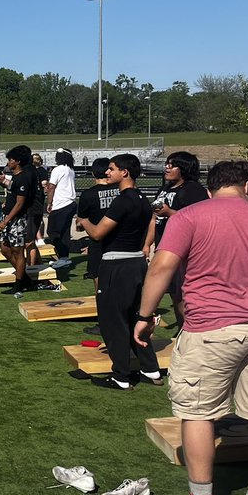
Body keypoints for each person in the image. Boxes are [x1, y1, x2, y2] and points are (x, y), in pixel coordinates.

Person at [133, 160, 248, 495]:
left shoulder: (191, 216)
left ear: (210, 185)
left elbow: (162, 266)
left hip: (211, 329)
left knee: (198, 412)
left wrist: (144, 315)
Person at [77, 154, 160, 390]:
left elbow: (97, 234)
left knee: (113, 322)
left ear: (125, 172)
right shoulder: (143, 199)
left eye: (112, 169)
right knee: (136, 318)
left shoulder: (123, 200)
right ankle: (150, 369)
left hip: (117, 264)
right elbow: (149, 226)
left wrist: (83, 220)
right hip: (136, 262)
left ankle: (121, 377)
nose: (107, 173)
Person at [143, 151, 209, 326]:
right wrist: (147, 244)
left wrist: (170, 212)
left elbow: (200, 220)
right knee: (174, 294)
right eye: (167, 163)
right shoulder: (165, 188)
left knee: (184, 294)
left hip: (185, 250)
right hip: (165, 246)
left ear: (184, 168)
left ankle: (190, 330)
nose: (167, 167)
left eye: (172, 165)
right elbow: (153, 219)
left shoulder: (193, 189)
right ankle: (183, 330)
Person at [0, 145, 37, 295]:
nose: (8, 162)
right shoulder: (16, 177)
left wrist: (6, 221)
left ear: (17, 161)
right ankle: (25, 279)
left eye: (10, 160)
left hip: (17, 219)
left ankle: (19, 284)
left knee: (18, 252)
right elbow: (12, 193)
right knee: (5, 249)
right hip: (8, 217)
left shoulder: (24, 178)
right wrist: (0, 181)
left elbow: (20, 203)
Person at [75, 157, 118, 292]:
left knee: (97, 273)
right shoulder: (121, 190)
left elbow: (81, 222)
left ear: (93, 173)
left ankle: (102, 302)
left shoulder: (88, 194)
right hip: (119, 237)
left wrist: (80, 224)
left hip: (97, 239)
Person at [45, 149, 77, 269]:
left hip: (61, 204)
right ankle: (64, 257)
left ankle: (62, 256)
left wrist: (49, 202)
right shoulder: (70, 170)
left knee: (52, 232)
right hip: (70, 203)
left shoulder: (58, 169)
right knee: (64, 232)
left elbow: (51, 187)